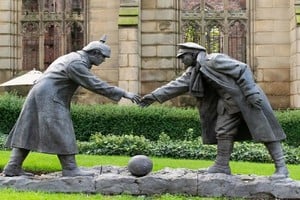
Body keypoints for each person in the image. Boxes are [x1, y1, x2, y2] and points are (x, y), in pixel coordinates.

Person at [139, 42, 289, 179]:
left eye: (183, 56)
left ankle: (281, 168)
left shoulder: (214, 60)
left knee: (266, 132)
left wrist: (250, 92)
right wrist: (152, 97)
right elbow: (175, 86)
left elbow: (242, 68)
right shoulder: (194, 72)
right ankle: (221, 165)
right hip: (228, 103)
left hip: (247, 98)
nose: (181, 60)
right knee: (223, 131)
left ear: (192, 54)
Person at [2, 35, 140, 177]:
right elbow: (94, 83)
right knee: (63, 129)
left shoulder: (72, 57)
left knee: (28, 130)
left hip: (40, 94)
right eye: (103, 57)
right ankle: (70, 168)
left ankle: (13, 167)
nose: (104, 60)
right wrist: (123, 93)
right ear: (95, 53)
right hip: (50, 97)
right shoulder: (76, 63)